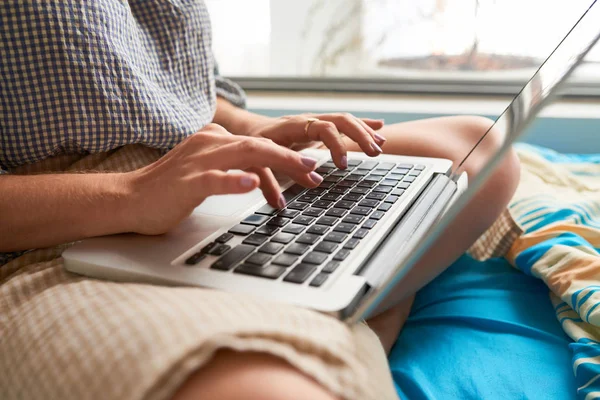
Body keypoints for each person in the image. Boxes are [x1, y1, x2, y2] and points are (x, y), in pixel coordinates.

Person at [0, 1, 520, 399]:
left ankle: (332, 294)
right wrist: (132, 194)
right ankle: (347, 323)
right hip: (60, 223)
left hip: (208, 164)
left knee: (479, 151)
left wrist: (253, 130)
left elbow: (186, 87)